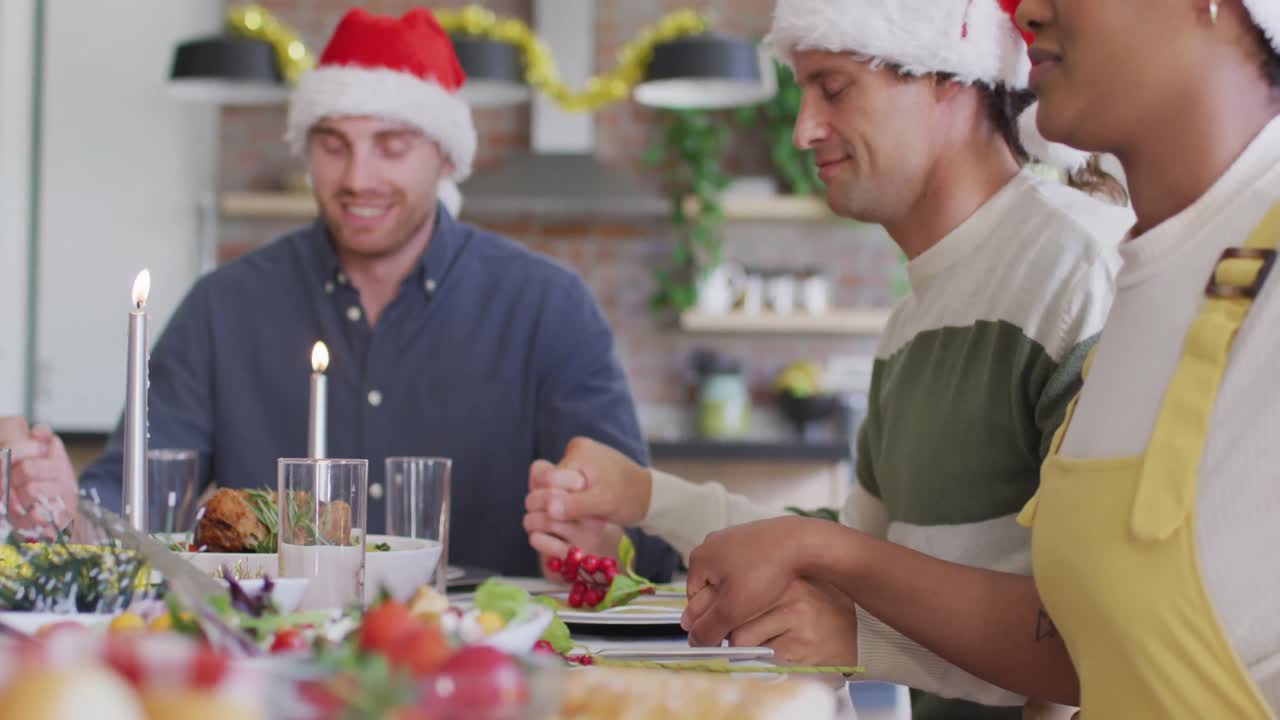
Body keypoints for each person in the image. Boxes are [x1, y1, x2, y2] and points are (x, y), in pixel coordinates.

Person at [524, 1, 1132, 717]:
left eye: (834, 88)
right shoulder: (916, 318)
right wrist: (642, 498)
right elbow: (851, 551)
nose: (804, 128)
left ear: (950, 78)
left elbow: (1099, 642)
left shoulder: (1079, 268)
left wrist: (860, 636)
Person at [680, 0, 1280, 716]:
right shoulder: (1150, 283)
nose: (1022, 9)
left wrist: (831, 569)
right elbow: (1080, 640)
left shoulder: (1099, 268)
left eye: (835, 87)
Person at [0, 7, 675, 580]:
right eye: (333, 145)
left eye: (391, 145)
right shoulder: (223, 307)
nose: (358, 177)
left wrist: (603, 540)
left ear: (444, 156)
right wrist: (65, 506)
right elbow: (132, 500)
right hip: (267, 659)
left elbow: (640, 529)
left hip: (501, 657)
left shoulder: (548, 308)